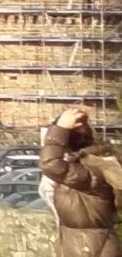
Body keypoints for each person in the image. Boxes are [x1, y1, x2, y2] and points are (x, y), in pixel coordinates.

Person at [42, 107, 122, 257]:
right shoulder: (95, 164)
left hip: (88, 248)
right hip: (91, 244)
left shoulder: (91, 171)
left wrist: (60, 129)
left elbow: (50, 163)